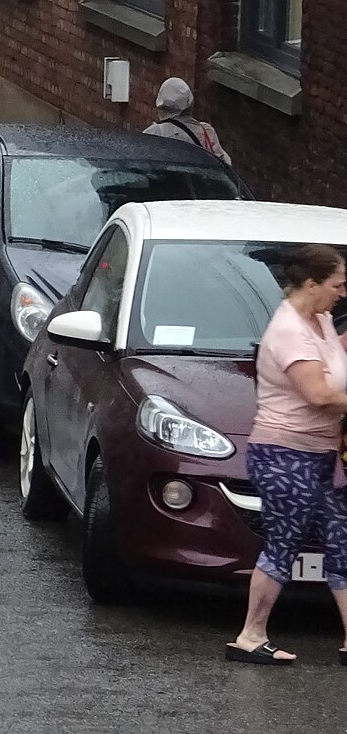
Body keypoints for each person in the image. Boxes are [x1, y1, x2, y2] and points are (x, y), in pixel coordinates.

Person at [228, 244, 347, 664]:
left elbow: (335, 358)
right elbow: (318, 394)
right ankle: (250, 635)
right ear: (311, 284)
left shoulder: (321, 320)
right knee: (285, 542)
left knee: (341, 541)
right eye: (337, 285)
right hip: (282, 455)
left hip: (321, 454)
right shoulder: (288, 331)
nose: (343, 292)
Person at [145, 76, 231, 164]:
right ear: (190, 103)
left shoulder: (155, 133)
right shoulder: (206, 131)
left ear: (161, 104)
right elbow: (225, 163)